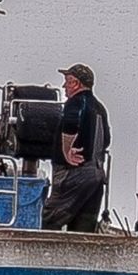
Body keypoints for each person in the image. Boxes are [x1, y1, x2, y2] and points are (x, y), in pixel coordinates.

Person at [42, 63, 110, 232]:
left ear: (76, 83)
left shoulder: (76, 102)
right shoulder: (99, 107)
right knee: (83, 227)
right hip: (97, 174)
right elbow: (107, 140)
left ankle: (41, 256)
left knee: (51, 219)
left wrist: (66, 151)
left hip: (74, 173)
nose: (64, 86)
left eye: (67, 81)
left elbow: (71, 122)